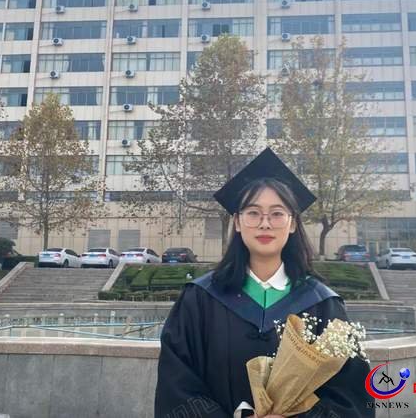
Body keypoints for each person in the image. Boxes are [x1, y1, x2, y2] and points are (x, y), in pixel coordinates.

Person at [155, 148, 373, 418]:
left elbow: (350, 394)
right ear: (237, 222)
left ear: (292, 224)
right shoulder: (200, 299)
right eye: (253, 213)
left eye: (277, 214)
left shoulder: (323, 304)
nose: (265, 224)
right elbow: (177, 384)